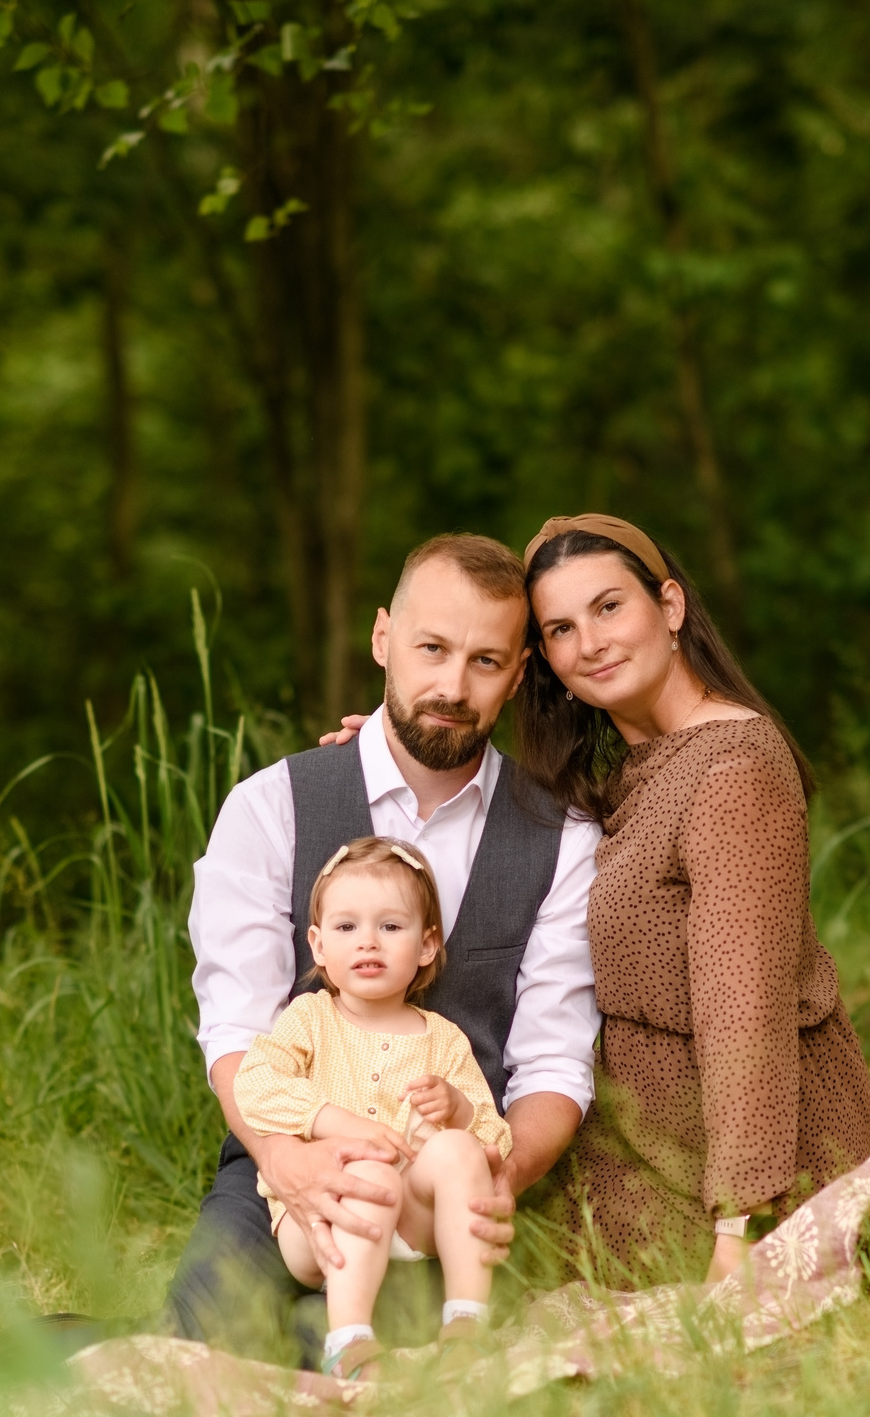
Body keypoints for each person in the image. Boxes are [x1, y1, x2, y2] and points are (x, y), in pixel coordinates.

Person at [162, 533, 600, 1367]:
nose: (450, 686)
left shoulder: (561, 837)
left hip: (449, 1187)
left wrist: (499, 1178)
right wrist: (290, 1163)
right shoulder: (271, 808)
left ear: (516, 675)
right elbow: (237, 1033)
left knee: (403, 1364)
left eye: (484, 660)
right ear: (382, 640)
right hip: (278, 1165)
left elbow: (553, 1061)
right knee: (205, 1347)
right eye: (431, 648)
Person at [519, 513, 870, 1283]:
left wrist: (737, 1230)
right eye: (561, 628)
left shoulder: (730, 772)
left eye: (610, 606)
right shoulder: (629, 772)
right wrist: (385, 749)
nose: (591, 642)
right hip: (643, 1134)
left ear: (670, 607)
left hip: (733, 1159)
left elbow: (742, 1005)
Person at [236, 837, 515, 1381]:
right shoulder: (310, 1019)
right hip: (320, 1221)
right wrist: (341, 1124)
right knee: (362, 1168)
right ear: (317, 945)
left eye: (390, 927)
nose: (368, 942)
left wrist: (458, 1112)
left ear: (427, 944)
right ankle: (350, 1343)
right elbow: (256, 1084)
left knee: (458, 1151)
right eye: (346, 928)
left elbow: (494, 1147)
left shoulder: (443, 1039)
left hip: (413, 1217)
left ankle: (466, 1325)